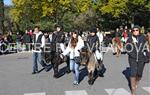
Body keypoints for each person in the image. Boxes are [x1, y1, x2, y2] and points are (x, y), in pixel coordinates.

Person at [126, 25, 147, 95]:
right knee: (133, 73)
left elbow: (147, 47)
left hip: (141, 58)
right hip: (133, 59)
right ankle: (133, 90)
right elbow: (127, 48)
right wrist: (132, 55)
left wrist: (147, 56)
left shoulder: (143, 38)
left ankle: (136, 82)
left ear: (139, 30)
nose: (135, 31)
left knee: (139, 73)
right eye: (134, 30)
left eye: (136, 30)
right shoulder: (129, 39)